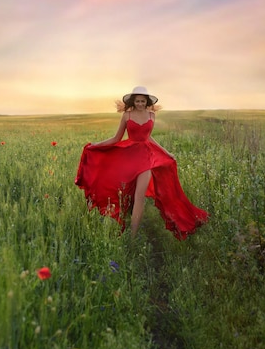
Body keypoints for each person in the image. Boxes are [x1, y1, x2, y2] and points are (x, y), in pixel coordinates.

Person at [75, 86, 208, 240]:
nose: (139, 103)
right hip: (128, 158)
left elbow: (149, 138)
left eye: (142, 101)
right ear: (133, 101)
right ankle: (123, 220)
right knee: (124, 193)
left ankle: (133, 236)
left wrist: (166, 152)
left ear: (147, 102)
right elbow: (116, 138)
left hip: (145, 158)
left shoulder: (152, 115)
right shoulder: (127, 115)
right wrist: (96, 145)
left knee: (139, 196)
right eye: (137, 101)